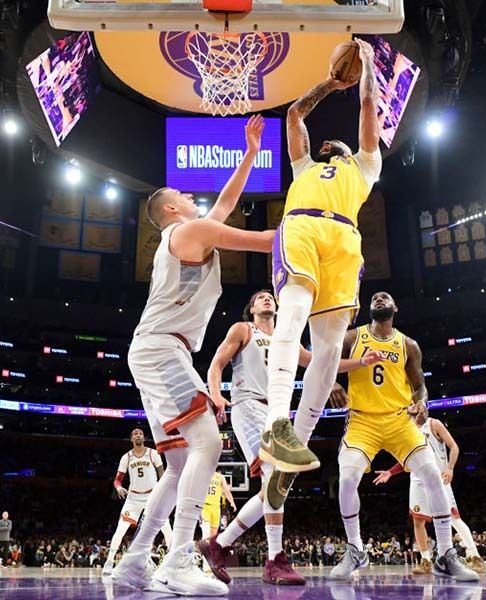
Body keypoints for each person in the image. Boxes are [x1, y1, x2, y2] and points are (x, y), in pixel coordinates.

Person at [113, 115, 275, 596]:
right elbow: (263, 241)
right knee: (207, 443)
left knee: (183, 464)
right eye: (181, 194)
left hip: (160, 349)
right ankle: (180, 558)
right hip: (163, 349)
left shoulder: (191, 232)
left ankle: (138, 561)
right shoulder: (184, 234)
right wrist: (315, 234)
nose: (190, 195)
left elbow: (225, 205)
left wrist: (249, 153)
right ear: (169, 208)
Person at [260, 38, 382, 480]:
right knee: (291, 312)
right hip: (304, 225)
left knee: (329, 351)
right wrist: (330, 85)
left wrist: (366, 67)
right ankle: (276, 424)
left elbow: (368, 109)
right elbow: (293, 115)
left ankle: (296, 447)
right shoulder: (305, 168)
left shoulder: (366, 166)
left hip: (345, 241)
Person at [324, 292, 476, 581]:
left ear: (395, 308)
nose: (380, 298)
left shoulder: (408, 344)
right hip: (362, 420)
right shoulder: (352, 337)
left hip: (400, 421)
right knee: (346, 479)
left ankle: (445, 553)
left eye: (386, 297)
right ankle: (356, 548)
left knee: (432, 473)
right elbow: (327, 362)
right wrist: (332, 383)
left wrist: (422, 403)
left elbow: (420, 386)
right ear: (370, 308)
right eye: (376, 297)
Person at [199, 290, 312, 585]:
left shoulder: (286, 338)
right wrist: (216, 394)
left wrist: (353, 364)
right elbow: (216, 364)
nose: (266, 298)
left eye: (269, 296)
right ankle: (275, 559)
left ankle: (219, 544)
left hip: (276, 413)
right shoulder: (243, 329)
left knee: (276, 487)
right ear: (251, 309)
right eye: (259, 297)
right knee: (275, 478)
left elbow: (316, 362)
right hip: (248, 405)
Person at [373, 404, 486, 574]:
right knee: (418, 521)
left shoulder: (434, 424)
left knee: (454, 519)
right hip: (417, 480)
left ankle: (475, 556)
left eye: (420, 405)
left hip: (439, 477)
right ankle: (425, 560)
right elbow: (406, 460)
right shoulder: (407, 430)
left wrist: (450, 467)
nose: (416, 407)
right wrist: (390, 472)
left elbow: (454, 447)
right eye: (411, 405)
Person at [102, 429, 172, 578]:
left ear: (144, 438)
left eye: (140, 433)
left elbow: (163, 475)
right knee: (120, 530)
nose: (138, 435)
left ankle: (173, 562)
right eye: (135, 434)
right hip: (133, 498)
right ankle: (109, 562)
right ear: (131, 439)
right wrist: (119, 487)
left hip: (152, 496)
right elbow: (117, 480)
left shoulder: (153, 453)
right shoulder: (126, 457)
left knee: (166, 528)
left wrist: (163, 493)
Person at [200, 471, 235, 541]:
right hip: (205, 507)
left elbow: (227, 491)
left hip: (216, 508)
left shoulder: (220, 477)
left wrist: (232, 502)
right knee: (206, 534)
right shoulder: (202, 475)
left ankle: (209, 550)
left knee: (213, 537)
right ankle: (201, 551)